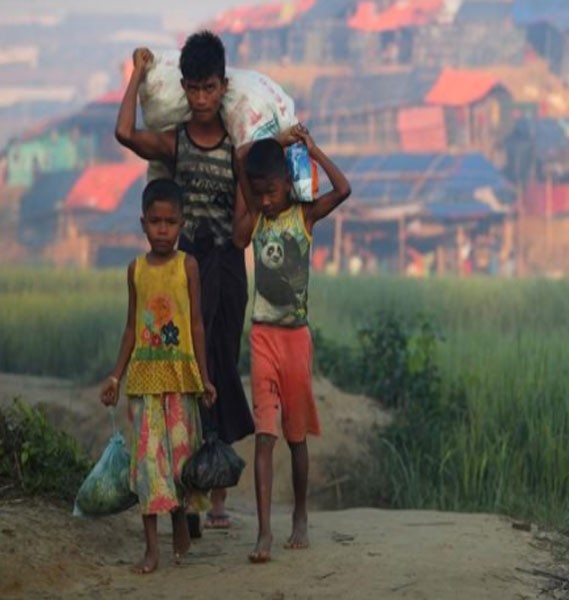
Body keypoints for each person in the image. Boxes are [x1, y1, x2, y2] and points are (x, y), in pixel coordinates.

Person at [115, 31, 254, 532]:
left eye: (209, 89)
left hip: (226, 271)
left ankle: (215, 491)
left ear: (223, 87)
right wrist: (136, 74)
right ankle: (184, 490)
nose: (199, 100)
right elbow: (125, 133)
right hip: (181, 275)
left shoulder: (238, 149)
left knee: (217, 369)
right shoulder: (175, 142)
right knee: (182, 372)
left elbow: (242, 229)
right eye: (192, 89)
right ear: (184, 87)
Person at [232, 126, 351, 563]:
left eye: (272, 190)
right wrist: (277, 142)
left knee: (295, 437)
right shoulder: (256, 219)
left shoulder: (304, 216)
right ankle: (264, 533)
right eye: (258, 192)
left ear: (288, 182)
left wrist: (311, 150)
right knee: (265, 437)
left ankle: (300, 514)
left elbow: (344, 188)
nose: (265, 199)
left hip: (296, 339)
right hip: (262, 334)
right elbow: (238, 163)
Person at [99, 178, 216, 574]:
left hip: (182, 380)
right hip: (145, 382)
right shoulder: (135, 270)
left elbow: (196, 324)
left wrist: (204, 378)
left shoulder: (189, 266)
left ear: (181, 224)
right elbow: (131, 328)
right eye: (155, 222)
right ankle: (151, 549)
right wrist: (116, 377)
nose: (162, 230)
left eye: (170, 222)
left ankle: (181, 520)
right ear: (142, 223)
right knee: (148, 465)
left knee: (181, 464)